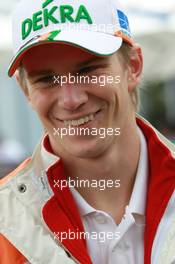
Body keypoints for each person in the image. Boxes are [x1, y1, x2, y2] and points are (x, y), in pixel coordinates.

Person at [0, 0, 175, 263]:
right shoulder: (5, 218)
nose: (71, 100)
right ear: (26, 90)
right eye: (46, 79)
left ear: (133, 66)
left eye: (88, 70)